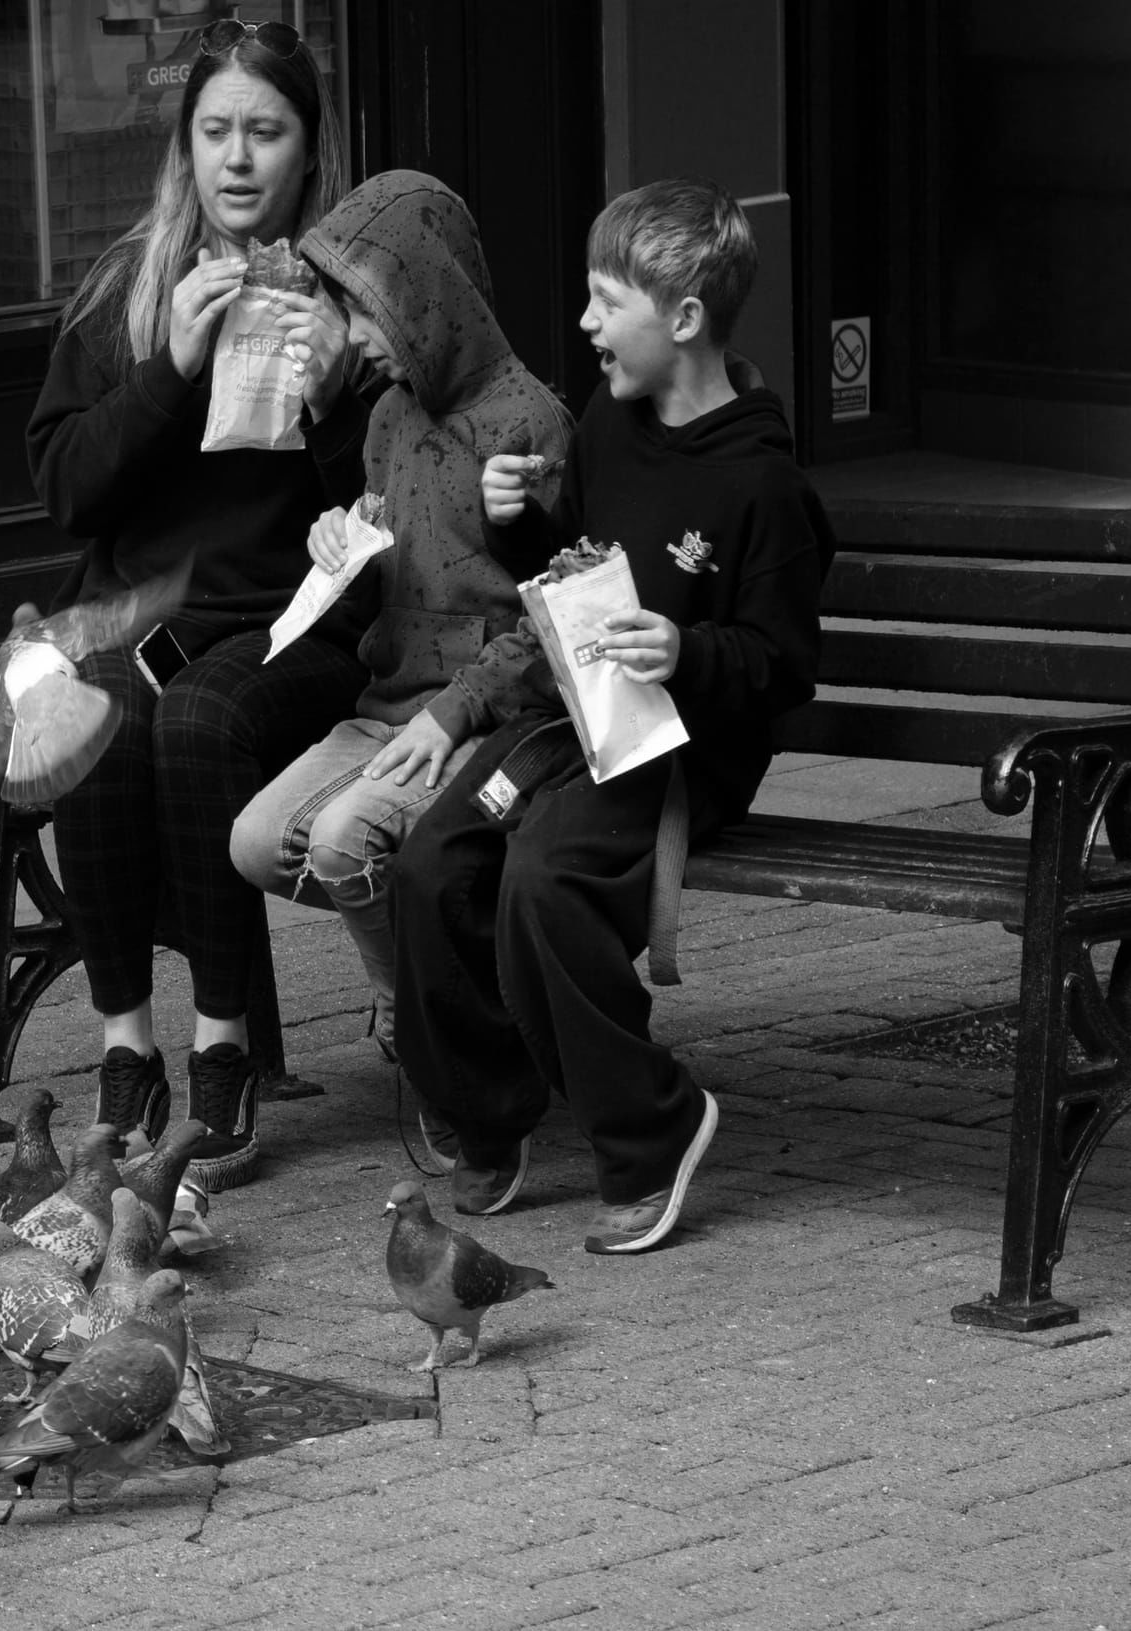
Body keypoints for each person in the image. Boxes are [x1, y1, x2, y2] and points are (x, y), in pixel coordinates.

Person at [388, 178, 835, 1240]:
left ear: (681, 321)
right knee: (429, 866)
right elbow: (570, 571)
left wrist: (686, 649)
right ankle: (488, 1115)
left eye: (605, 301)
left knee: (543, 883)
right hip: (569, 718)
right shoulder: (609, 420)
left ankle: (652, 1126)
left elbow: (780, 664)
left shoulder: (763, 486)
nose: (584, 323)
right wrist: (516, 528)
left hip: (679, 750)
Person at [25, 16, 372, 1190]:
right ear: (185, 146)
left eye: (263, 132)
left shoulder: (347, 292)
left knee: (197, 723)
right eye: (215, 130)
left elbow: (385, 525)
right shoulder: (131, 285)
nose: (237, 158)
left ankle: (222, 1050)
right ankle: (127, 1050)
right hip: (143, 619)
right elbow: (68, 490)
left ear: (306, 149)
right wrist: (165, 367)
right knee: (93, 713)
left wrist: (331, 397)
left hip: (293, 627)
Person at [229, 169, 572, 1073]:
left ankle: (437, 1037)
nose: (360, 338)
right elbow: (392, 563)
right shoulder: (387, 418)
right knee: (257, 842)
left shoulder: (531, 420)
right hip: (388, 707)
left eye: (369, 311)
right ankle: (429, 990)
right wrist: (341, 544)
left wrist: (455, 711)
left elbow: (560, 613)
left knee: (346, 845)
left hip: (487, 722)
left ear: (427, 300)